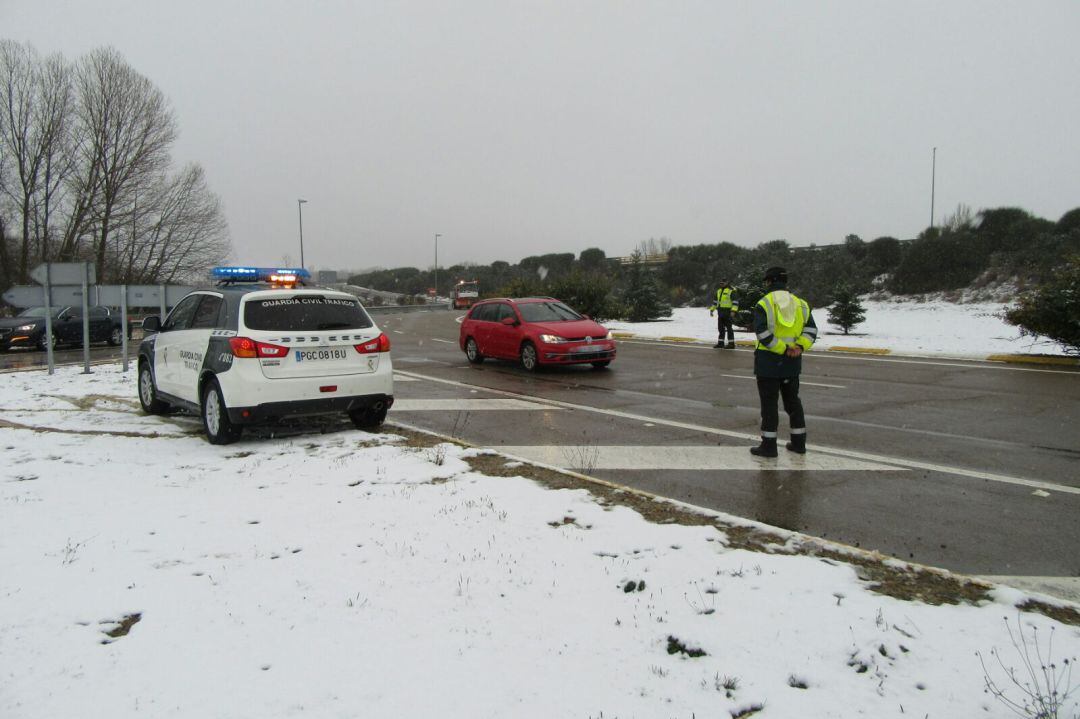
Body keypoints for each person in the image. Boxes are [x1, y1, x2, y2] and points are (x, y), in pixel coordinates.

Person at [749, 266, 817, 457]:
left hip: (768, 362)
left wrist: (782, 348)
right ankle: (799, 443)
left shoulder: (765, 303)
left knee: (769, 405)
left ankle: (769, 446)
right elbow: (811, 330)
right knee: (793, 403)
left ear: (769, 282)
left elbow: (762, 332)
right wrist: (799, 347)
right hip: (792, 363)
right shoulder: (801, 303)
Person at [708, 279, 739, 348]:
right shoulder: (718, 291)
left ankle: (731, 344)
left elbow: (735, 302)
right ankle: (720, 343)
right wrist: (712, 310)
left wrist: (733, 311)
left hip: (728, 312)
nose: (721, 284)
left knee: (729, 329)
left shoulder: (731, 291)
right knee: (721, 329)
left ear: (727, 283)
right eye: (720, 283)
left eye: (723, 283)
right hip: (720, 312)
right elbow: (715, 302)